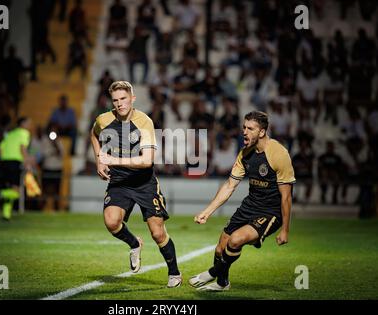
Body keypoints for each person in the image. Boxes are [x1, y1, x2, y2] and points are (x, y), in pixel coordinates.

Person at [189, 111, 295, 291]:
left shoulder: (279, 154)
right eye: (244, 127)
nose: (245, 132)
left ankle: (214, 272)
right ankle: (222, 283)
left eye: (250, 129)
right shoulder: (245, 153)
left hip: (270, 212)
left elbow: (286, 196)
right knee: (219, 249)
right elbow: (229, 186)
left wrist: (285, 230)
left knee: (235, 240)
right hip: (249, 206)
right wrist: (207, 211)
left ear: (261, 132)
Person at [90, 81, 182, 288]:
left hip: (143, 182)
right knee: (112, 222)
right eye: (115, 100)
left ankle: (174, 273)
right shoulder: (103, 119)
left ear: (132, 98)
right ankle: (134, 244)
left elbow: (146, 160)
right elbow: (94, 134)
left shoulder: (144, 122)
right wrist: (98, 158)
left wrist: (112, 161)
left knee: (158, 232)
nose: (120, 104)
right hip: (120, 181)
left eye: (123, 99)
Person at [0, 117, 34, 221]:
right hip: (14, 162)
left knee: (9, 188)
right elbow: (22, 148)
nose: (30, 125)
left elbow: (0, 149)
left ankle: (6, 214)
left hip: (4, 162)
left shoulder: (10, 134)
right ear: (22, 124)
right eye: (28, 122)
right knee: (16, 190)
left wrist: (3, 160)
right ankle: (1, 194)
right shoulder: (24, 133)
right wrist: (27, 162)